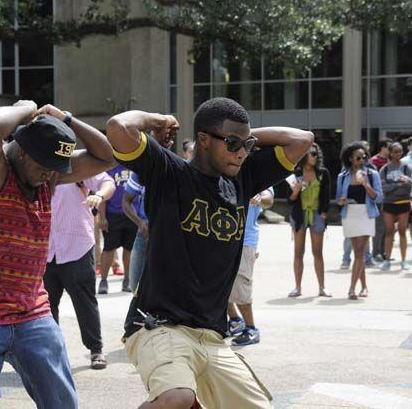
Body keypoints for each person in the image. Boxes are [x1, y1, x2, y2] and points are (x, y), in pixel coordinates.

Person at [107, 97, 313, 408]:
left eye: (247, 145)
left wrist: (239, 137)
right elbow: (118, 127)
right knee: (178, 397)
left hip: (213, 337)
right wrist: (158, 118)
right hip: (158, 326)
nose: (242, 153)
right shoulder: (169, 172)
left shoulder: (243, 178)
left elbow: (301, 139)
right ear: (203, 139)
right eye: (232, 144)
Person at [0, 101, 114, 409]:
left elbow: (107, 156)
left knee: (62, 403)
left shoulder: (49, 172)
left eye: (53, 168)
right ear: (22, 151)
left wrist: (67, 117)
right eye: (43, 165)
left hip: (31, 311)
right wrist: (27, 106)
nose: (49, 174)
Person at [44, 172, 115, 370]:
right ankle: (52, 352)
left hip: (77, 248)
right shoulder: (37, 167)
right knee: (46, 307)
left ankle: (96, 349)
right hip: (45, 250)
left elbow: (107, 182)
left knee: (85, 303)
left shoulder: (75, 166)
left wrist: (99, 195)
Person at [227, 187, 274, 346]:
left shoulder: (256, 174)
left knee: (241, 287)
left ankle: (251, 328)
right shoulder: (225, 170)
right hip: (223, 237)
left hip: (245, 242)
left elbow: (269, 198)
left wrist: (259, 196)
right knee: (219, 285)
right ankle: (234, 321)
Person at [336, 142, 384, 300]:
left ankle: (351, 289)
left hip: (366, 213)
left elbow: (379, 197)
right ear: (350, 159)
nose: (362, 159)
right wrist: (342, 200)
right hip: (350, 214)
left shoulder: (371, 174)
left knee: (359, 253)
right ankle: (364, 287)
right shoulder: (342, 176)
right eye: (358, 157)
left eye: (364, 157)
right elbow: (338, 199)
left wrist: (366, 185)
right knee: (359, 253)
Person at [287, 143, 332, 298]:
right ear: (304, 155)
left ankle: (322, 287)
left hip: (317, 215)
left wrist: (325, 213)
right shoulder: (296, 173)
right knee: (298, 252)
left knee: (317, 252)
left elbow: (327, 195)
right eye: (312, 154)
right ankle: (297, 287)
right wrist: (296, 192)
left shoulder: (322, 173)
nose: (315, 156)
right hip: (299, 215)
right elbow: (290, 200)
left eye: (316, 153)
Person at [98, 163, 138, 293]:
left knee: (129, 249)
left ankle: (127, 280)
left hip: (132, 214)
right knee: (109, 249)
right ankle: (103, 281)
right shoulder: (110, 168)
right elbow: (103, 196)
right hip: (113, 215)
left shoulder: (136, 168)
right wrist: (102, 217)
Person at [378, 142, 412, 270]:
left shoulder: (406, 167)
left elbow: (410, 183)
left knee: (402, 231)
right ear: (390, 153)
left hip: (403, 202)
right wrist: (397, 185)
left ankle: (403, 261)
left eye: (400, 151)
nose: (398, 154)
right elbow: (383, 188)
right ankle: (387, 261)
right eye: (396, 151)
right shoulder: (385, 169)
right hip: (389, 203)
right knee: (389, 232)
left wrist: (406, 180)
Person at [122, 171, 147, 293]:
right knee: (135, 284)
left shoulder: (178, 169)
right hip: (145, 233)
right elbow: (126, 201)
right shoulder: (140, 173)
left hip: (171, 233)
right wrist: (140, 223)